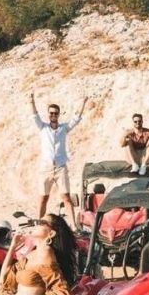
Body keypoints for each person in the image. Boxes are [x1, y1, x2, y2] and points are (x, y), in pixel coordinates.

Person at [31, 91, 88, 227]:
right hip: (46, 168)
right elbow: (34, 115)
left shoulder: (63, 128)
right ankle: (39, 224)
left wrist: (83, 103)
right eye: (51, 113)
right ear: (48, 114)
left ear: (59, 114)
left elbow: (76, 118)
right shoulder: (43, 127)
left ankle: (73, 225)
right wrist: (31, 100)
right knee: (43, 198)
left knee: (66, 197)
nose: (53, 115)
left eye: (56, 113)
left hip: (61, 167)